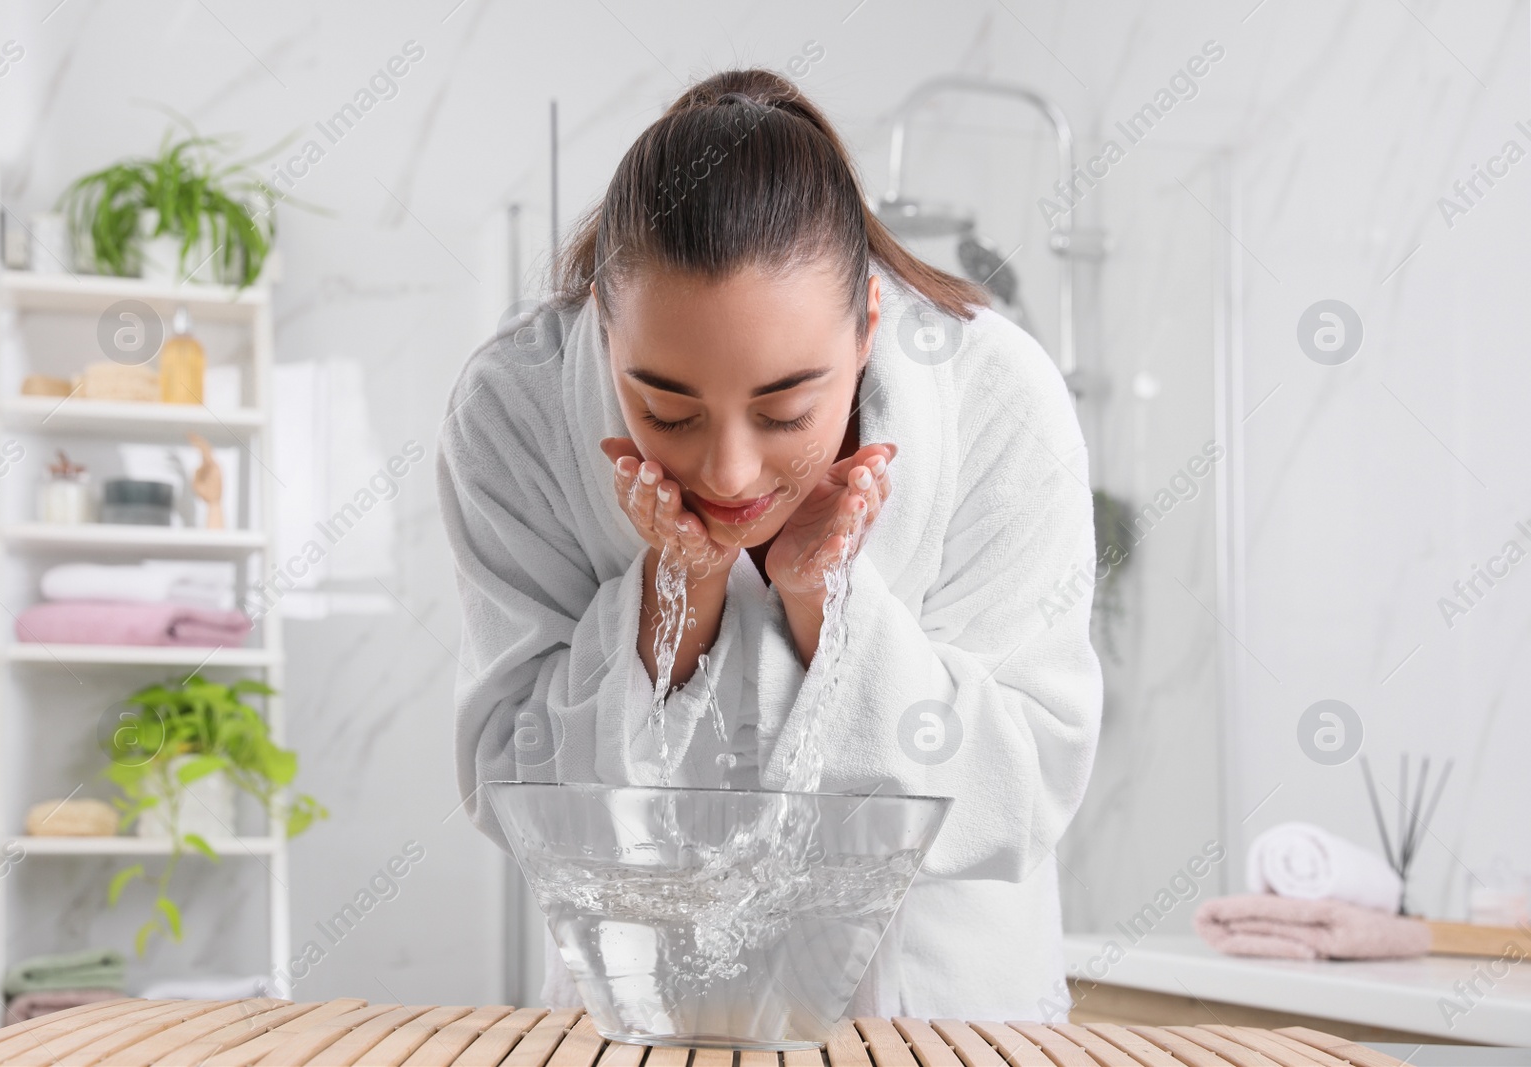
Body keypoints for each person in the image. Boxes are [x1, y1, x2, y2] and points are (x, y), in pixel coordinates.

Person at [436, 68, 1102, 1020]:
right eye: (666, 408)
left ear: (868, 327)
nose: (732, 473)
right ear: (603, 332)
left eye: (786, 408)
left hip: (938, 1015)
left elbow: (1025, 785)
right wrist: (676, 600)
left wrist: (828, 605)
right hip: (637, 1013)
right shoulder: (517, 407)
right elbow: (511, 785)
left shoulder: (998, 396)